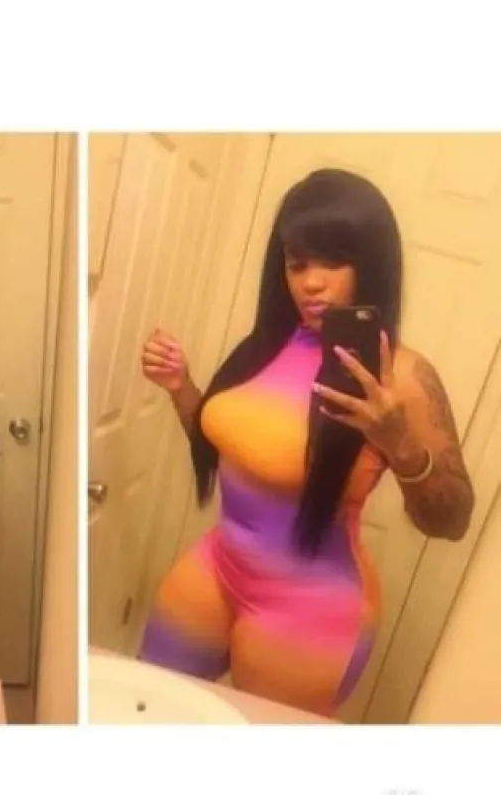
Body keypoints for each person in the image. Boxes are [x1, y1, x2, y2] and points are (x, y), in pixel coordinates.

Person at [137, 168, 475, 716]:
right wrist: (182, 388)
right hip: (217, 566)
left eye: (332, 261)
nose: (310, 283)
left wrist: (401, 447)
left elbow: (453, 520)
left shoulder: (405, 376)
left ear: (371, 263)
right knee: (145, 708)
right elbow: (226, 446)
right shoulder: (266, 344)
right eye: (296, 263)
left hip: (308, 610)